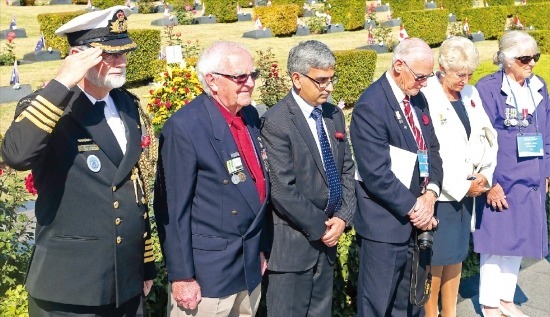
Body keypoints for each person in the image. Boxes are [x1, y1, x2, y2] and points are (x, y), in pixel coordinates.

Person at [1, 6, 156, 316]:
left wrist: (146, 263)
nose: (121, 61)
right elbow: (16, 155)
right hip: (71, 286)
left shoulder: (126, 103)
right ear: (77, 56)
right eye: (109, 54)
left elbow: (133, 185)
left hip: (124, 282)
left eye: (123, 52)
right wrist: (62, 83)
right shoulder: (49, 106)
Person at [154, 41, 269, 317]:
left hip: (248, 266)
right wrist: (182, 277)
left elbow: (258, 190)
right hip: (208, 278)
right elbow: (172, 208)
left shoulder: (249, 115)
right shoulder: (185, 127)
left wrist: (261, 248)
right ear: (212, 81)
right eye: (240, 77)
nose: (250, 83)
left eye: (253, 75)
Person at [261, 40, 356, 317]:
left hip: (327, 243)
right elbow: (282, 189)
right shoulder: (277, 121)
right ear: (297, 78)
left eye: (331, 78)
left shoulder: (333, 114)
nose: (330, 87)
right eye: (322, 80)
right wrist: (323, 227)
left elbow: (346, 170)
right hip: (293, 249)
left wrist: (343, 217)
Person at [350, 38, 443, 317]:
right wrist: (417, 209)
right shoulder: (372, 105)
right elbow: (375, 173)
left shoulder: (417, 98)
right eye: (420, 76)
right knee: (378, 307)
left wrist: (431, 194)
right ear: (398, 65)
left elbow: (432, 149)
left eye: (428, 77)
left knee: (411, 306)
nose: (424, 83)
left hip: (418, 223)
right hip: (385, 228)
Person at [473, 30, 549, 317]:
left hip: (530, 178)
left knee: (518, 240)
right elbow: (481, 139)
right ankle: (490, 304)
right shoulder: (488, 88)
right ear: (506, 60)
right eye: (524, 58)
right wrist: (490, 183)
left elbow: (548, 132)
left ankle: (506, 300)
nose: (531, 64)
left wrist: (546, 171)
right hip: (502, 180)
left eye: (535, 57)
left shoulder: (539, 86)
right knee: (496, 243)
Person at [421, 36, 498, 317]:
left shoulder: (472, 94)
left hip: (471, 189)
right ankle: (431, 313)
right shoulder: (426, 93)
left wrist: (485, 177)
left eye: (469, 74)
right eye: (459, 74)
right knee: (435, 259)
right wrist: (460, 186)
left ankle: (449, 312)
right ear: (442, 67)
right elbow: (428, 148)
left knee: (456, 256)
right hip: (442, 192)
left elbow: (490, 137)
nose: (465, 80)